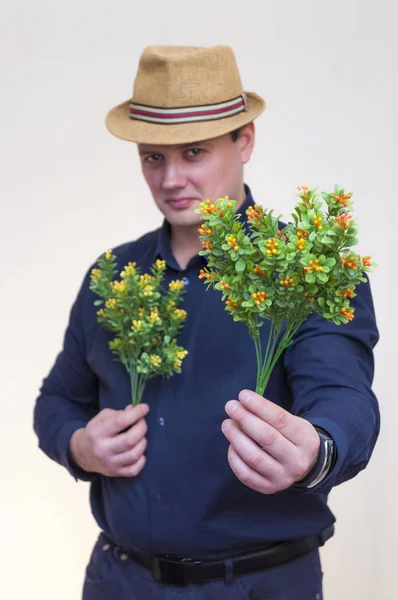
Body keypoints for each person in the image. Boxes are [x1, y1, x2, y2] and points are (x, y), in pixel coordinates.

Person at [33, 45, 380, 600]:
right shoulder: (113, 274)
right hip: (119, 581)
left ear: (244, 140)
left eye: (193, 152)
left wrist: (317, 450)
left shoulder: (308, 269)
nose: (170, 178)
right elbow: (57, 400)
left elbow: (345, 397)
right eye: (153, 157)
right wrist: (79, 445)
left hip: (258, 585)